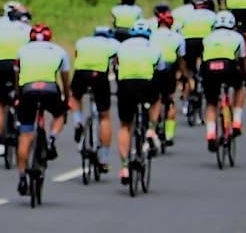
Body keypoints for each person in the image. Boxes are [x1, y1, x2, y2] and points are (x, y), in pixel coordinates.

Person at [14, 23, 69, 198]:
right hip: (50, 89)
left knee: (25, 135)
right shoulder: (59, 50)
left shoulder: (22, 51)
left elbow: (16, 75)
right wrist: (66, 98)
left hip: (28, 90)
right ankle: (52, 139)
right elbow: (65, 78)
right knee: (60, 114)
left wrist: (17, 95)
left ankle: (22, 177)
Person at [115, 23, 164, 181]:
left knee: (125, 125)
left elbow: (115, 67)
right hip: (147, 84)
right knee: (157, 99)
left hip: (126, 85)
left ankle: (124, 167)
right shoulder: (154, 47)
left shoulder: (121, 46)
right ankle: (151, 128)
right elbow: (161, 70)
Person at [69, 26, 119, 171]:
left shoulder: (82, 41)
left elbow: (77, 56)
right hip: (99, 75)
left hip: (81, 73)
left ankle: (77, 121)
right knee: (104, 116)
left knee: (76, 97)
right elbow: (116, 65)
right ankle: (103, 158)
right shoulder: (113, 44)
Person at [0, 2, 31, 159]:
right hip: (18, 63)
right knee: (21, 95)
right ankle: (20, 120)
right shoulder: (26, 28)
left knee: (0, 103)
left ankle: (0, 142)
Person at [201, 11, 246, 148]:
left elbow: (202, 57)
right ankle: (237, 121)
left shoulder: (207, 37)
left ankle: (210, 134)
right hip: (229, 66)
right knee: (239, 87)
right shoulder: (238, 36)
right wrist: (244, 74)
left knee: (211, 102)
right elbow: (242, 59)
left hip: (209, 68)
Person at [151, 5, 186, 147]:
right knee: (170, 100)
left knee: (155, 100)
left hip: (154, 70)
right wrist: (183, 75)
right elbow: (181, 59)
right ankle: (169, 134)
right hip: (170, 70)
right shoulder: (178, 37)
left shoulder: (151, 35)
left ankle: (152, 128)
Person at [180, 0, 217, 87]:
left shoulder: (187, 15)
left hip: (188, 41)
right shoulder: (212, 15)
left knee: (190, 67)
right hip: (206, 40)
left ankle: (191, 82)